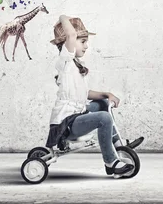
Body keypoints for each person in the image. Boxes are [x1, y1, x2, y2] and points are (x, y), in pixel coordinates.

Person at [45, 15, 144, 178]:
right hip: (66, 124)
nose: (86, 46)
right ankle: (111, 163)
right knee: (104, 118)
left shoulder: (76, 66)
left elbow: (84, 94)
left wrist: (107, 94)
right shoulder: (65, 61)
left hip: (77, 115)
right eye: (82, 41)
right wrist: (63, 17)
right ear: (68, 43)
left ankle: (119, 146)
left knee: (103, 103)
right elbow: (70, 35)